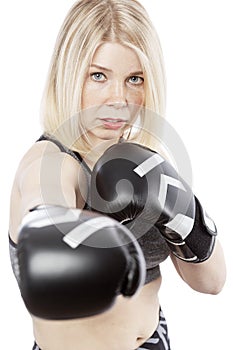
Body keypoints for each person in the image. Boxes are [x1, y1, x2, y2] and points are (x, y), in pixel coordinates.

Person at [8, 1, 226, 349]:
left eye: (134, 79)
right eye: (98, 75)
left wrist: (183, 212)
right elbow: (41, 199)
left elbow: (212, 282)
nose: (118, 98)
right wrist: (48, 225)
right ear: (69, 73)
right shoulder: (52, 160)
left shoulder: (143, 164)